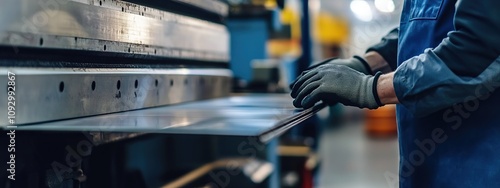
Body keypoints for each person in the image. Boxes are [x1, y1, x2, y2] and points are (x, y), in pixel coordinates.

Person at [290, 0, 500, 187]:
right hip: (426, 166)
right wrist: (365, 64)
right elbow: (419, 28)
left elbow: (476, 49)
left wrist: (369, 88)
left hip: (478, 167)